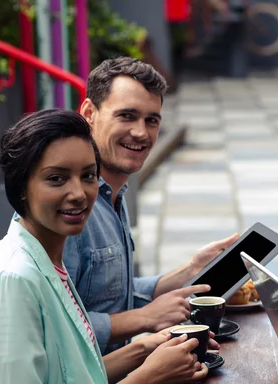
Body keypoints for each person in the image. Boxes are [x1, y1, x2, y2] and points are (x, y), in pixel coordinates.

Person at [0, 109, 210, 384]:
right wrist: (148, 378)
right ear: (21, 187)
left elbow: (71, 378)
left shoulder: (48, 258)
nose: (78, 193)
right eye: (57, 179)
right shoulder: (16, 278)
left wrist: (146, 348)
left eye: (87, 176)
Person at [63, 57, 238, 354]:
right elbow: (57, 327)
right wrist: (146, 318)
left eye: (151, 120)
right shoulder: (70, 205)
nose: (141, 133)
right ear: (89, 113)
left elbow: (113, 295)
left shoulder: (114, 193)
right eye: (127, 116)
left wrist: (191, 269)